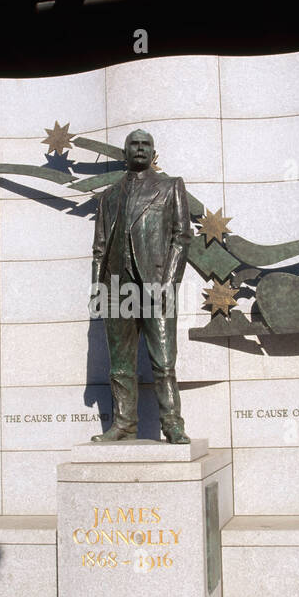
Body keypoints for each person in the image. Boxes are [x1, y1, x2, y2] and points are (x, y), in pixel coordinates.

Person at [89, 128, 191, 443]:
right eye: (134, 144)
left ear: (153, 152)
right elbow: (100, 247)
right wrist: (98, 290)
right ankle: (124, 424)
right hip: (116, 287)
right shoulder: (109, 196)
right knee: (120, 366)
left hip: (157, 286)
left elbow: (181, 236)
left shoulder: (170, 186)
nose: (140, 149)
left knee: (163, 362)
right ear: (125, 152)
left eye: (146, 144)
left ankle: (172, 425)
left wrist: (169, 282)